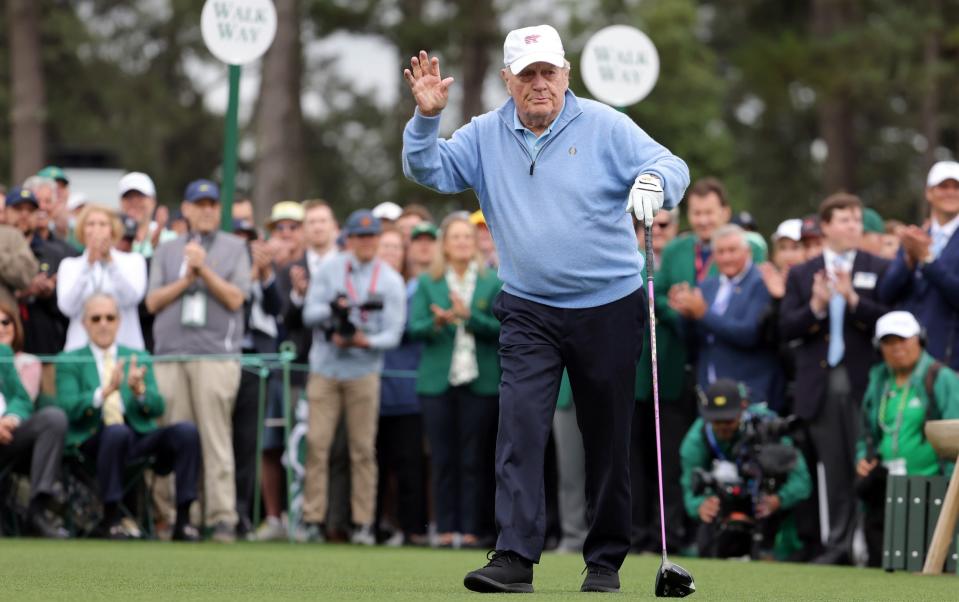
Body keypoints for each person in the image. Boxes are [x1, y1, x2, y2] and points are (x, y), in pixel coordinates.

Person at [402, 24, 689, 593]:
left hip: (608, 303)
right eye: (527, 74)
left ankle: (604, 561)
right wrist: (427, 118)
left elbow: (672, 165)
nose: (539, 85)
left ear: (566, 76)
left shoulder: (605, 124)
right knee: (521, 429)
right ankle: (514, 555)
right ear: (507, 81)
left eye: (548, 73)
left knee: (606, 437)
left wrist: (655, 181)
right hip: (529, 307)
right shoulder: (484, 134)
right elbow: (427, 170)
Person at [634, 177, 764, 556]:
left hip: (716, 371)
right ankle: (658, 534)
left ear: (725, 213)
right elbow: (655, 296)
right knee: (667, 459)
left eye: (711, 212)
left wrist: (691, 311)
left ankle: (691, 536)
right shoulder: (677, 251)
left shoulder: (745, 247)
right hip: (679, 369)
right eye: (697, 213)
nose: (704, 220)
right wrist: (681, 310)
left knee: (689, 460)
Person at [779, 192, 889, 565]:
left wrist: (854, 301)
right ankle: (839, 546)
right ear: (825, 226)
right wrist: (816, 307)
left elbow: (891, 320)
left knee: (867, 464)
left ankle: (872, 548)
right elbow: (787, 328)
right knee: (835, 468)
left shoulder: (879, 265)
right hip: (821, 384)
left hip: (865, 382)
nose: (853, 226)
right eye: (844, 219)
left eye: (857, 220)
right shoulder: (801, 273)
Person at [145, 179, 250, 543]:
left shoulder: (236, 247)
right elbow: (152, 301)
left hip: (216, 357)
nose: (205, 209)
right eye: (198, 203)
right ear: (186, 209)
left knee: (215, 439)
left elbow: (237, 298)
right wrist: (185, 278)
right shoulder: (167, 249)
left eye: (211, 203)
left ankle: (221, 516)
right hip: (170, 356)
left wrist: (204, 271)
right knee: (173, 436)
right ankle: (174, 515)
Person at [56, 293, 201, 540]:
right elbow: (68, 407)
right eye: (96, 318)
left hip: (136, 435)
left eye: (110, 318)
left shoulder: (138, 356)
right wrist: (103, 393)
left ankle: (184, 520)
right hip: (93, 438)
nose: (104, 324)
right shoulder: (70, 360)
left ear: (119, 322)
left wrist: (140, 392)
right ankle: (111, 519)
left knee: (186, 432)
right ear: (85, 323)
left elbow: (157, 407)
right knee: (116, 433)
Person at [301, 209, 406, 545]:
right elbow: (309, 313)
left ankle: (362, 522)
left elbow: (393, 333)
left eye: (371, 236)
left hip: (364, 369)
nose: (366, 242)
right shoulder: (331, 269)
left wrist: (366, 340)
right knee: (318, 444)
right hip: (326, 368)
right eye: (360, 236)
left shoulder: (389, 279)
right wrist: (333, 310)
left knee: (362, 449)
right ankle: (312, 519)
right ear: (348, 238)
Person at [409, 214, 502, 549]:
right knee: (443, 458)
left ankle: (473, 529)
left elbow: (501, 329)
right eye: (456, 237)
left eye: (467, 237)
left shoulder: (492, 281)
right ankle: (446, 528)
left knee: (474, 458)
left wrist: (469, 317)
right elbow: (413, 328)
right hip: (438, 382)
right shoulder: (428, 282)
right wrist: (437, 322)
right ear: (444, 245)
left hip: (480, 382)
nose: (463, 242)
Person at [855, 310, 959, 566]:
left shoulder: (941, 378)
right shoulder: (878, 380)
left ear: (919, 339)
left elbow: (955, 432)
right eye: (888, 342)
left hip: (932, 486)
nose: (896, 348)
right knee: (884, 562)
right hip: (886, 488)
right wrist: (862, 458)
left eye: (902, 340)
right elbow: (865, 431)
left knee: (926, 560)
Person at [679, 379, 811, 559]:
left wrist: (778, 500)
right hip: (720, 515)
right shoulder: (695, 441)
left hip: (768, 513)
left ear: (743, 409)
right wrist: (700, 506)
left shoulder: (768, 426)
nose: (724, 427)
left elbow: (802, 481)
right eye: (717, 421)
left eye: (729, 420)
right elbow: (689, 490)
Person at [670, 224, 780, 408]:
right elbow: (692, 342)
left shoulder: (761, 283)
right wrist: (685, 314)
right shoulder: (707, 286)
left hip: (748, 390)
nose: (727, 257)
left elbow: (749, 334)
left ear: (748, 252)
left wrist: (703, 313)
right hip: (708, 388)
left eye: (732, 250)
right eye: (720, 252)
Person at [374, 226, 429, 546]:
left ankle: (414, 530)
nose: (390, 253)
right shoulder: (365, 285)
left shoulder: (414, 289)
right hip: (372, 387)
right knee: (376, 463)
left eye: (396, 247)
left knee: (409, 462)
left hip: (407, 389)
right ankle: (374, 527)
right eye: (385, 247)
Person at [878, 161, 959, 370]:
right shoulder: (917, 236)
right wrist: (908, 260)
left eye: (956, 187)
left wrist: (928, 260)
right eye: (943, 187)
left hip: (951, 360)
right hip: (909, 356)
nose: (950, 193)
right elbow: (886, 294)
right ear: (929, 193)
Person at [233, 218, 282, 539]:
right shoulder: (225, 270)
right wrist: (247, 274)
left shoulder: (266, 275)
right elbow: (236, 302)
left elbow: (277, 309)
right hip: (227, 356)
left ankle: (243, 512)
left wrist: (264, 276)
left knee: (250, 441)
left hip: (256, 362)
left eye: (251, 240)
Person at [0, 342, 68, 538]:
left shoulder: (2, 352)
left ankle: (37, 511)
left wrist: (10, 419)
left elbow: (21, 398)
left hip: (10, 434)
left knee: (53, 419)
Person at [56, 205, 148, 351]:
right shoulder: (69, 265)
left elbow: (132, 298)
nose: (96, 229)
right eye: (90, 224)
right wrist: (87, 266)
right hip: (81, 350)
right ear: (82, 230)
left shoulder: (133, 261)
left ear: (113, 230)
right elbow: (67, 307)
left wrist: (110, 262)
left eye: (103, 224)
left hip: (125, 347)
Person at [0, 300, 42, 401]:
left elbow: (25, 400)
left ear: (15, 326)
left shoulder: (29, 362)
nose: (1, 329)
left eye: (5, 322)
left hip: (15, 415)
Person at [265, 201, 306, 269]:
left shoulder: (314, 260)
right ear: (273, 233)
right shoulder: (266, 262)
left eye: (293, 227)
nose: (286, 233)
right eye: (280, 228)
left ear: (303, 230)